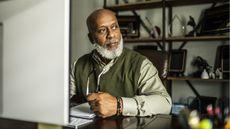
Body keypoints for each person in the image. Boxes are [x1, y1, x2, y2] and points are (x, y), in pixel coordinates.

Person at [70, 9, 172, 118]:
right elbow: (61, 101)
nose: (111, 35)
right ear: (91, 38)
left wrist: (119, 105)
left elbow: (165, 103)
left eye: (114, 27)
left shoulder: (140, 64)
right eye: (102, 30)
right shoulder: (78, 66)